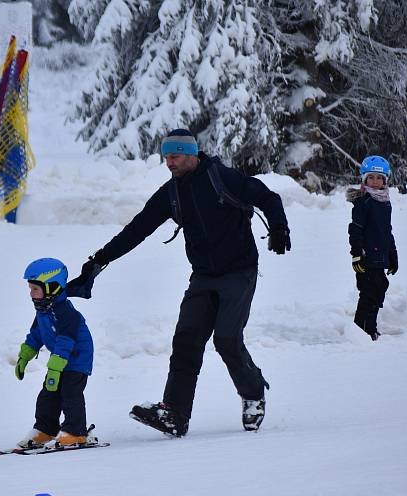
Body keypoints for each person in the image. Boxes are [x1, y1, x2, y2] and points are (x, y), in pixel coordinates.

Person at [68, 128, 291, 437]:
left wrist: (279, 227)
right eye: (166, 157)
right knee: (186, 341)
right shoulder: (171, 193)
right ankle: (175, 414)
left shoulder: (221, 177)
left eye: (174, 156)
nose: (169, 163)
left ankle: (253, 393)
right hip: (202, 276)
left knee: (226, 339)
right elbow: (137, 229)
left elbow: (266, 196)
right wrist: (99, 260)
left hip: (239, 272)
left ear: (190, 154)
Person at [14, 257, 95, 449]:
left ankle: (76, 432)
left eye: (35, 289)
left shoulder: (65, 312)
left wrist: (56, 368)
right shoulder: (43, 311)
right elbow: (36, 335)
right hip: (60, 361)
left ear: (52, 286)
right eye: (30, 289)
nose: (31, 294)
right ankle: (45, 429)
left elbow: (65, 341)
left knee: (70, 394)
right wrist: (24, 356)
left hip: (77, 360)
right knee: (48, 395)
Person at [346, 155, 399, 341]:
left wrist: (392, 255)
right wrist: (356, 255)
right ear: (364, 179)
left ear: (385, 180)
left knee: (380, 288)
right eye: (371, 178)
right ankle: (361, 330)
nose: (375, 182)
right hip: (366, 257)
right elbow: (355, 230)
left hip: (381, 256)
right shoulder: (364, 202)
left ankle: (371, 327)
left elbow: (387, 231)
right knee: (368, 292)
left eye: (379, 178)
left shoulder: (385, 202)